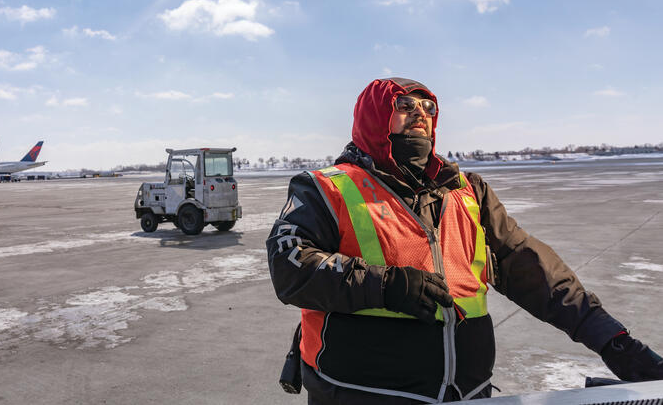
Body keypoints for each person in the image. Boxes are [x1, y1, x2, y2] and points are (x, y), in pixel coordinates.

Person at [266, 77, 663, 403]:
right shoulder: (326, 188)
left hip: (466, 392)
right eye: (405, 104)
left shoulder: (466, 191)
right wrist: (385, 285)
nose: (420, 114)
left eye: (429, 108)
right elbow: (290, 265)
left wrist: (612, 341)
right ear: (375, 115)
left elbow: (531, 269)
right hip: (362, 392)